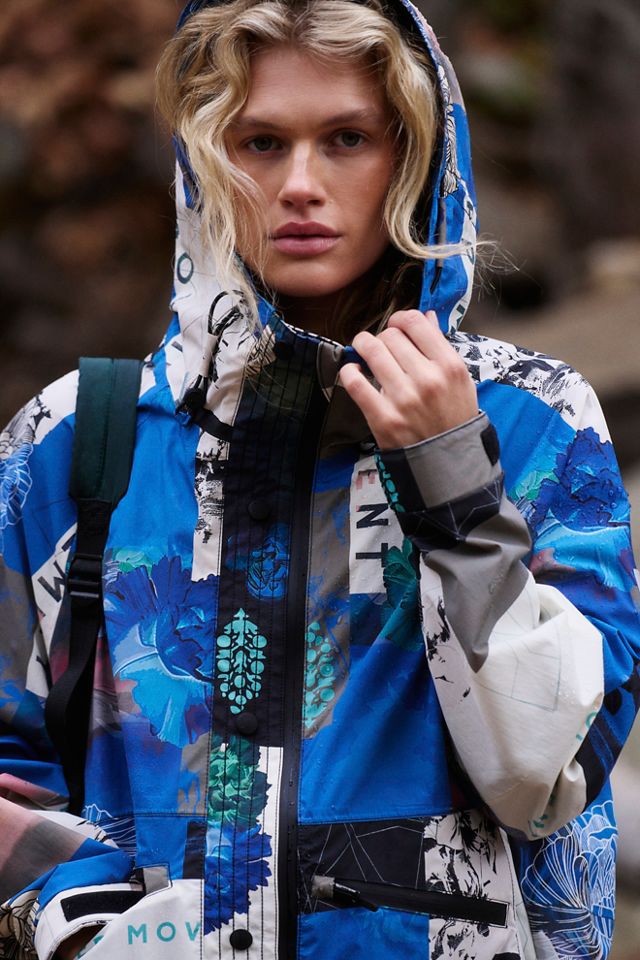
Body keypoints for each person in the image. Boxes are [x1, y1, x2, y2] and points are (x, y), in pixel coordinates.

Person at [0, 1, 638, 958]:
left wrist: (453, 479)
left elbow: (551, 777)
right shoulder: (74, 439)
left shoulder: (533, 423)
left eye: (347, 138)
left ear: (413, 156)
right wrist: (90, 926)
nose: (301, 185)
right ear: (204, 160)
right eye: (260, 142)